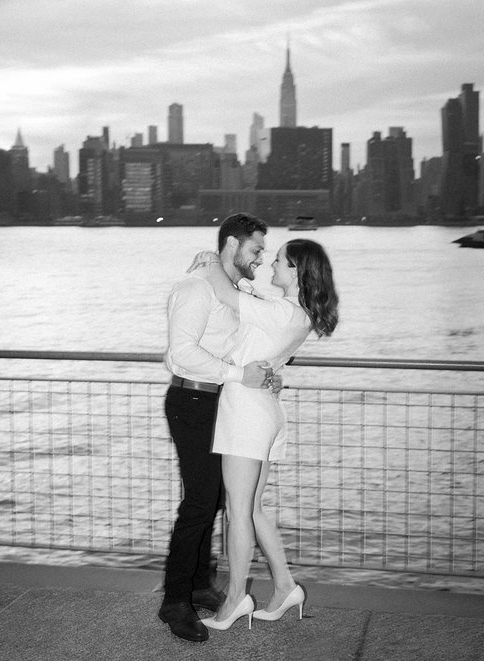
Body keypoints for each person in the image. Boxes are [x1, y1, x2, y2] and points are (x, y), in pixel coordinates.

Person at [196, 238, 339, 631]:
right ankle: (285, 586)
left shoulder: (281, 312)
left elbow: (225, 292)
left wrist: (212, 261)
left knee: (238, 512)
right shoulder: (297, 312)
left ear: (295, 270)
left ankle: (234, 599)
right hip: (265, 411)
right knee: (253, 510)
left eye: (278, 260)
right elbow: (250, 301)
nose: (271, 264)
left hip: (246, 411)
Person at [158, 212, 275, 643]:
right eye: (256, 249)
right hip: (191, 399)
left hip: (220, 400)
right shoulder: (195, 289)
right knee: (200, 500)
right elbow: (182, 352)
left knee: (217, 498)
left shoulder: (232, 290)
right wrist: (238, 374)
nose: (261, 258)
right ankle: (174, 601)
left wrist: (255, 373)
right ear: (232, 244)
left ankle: (198, 583)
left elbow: (254, 333)